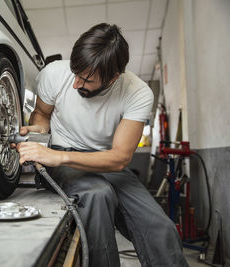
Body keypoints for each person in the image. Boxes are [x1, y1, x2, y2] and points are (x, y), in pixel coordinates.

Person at [15, 23, 188, 267]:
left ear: (113, 78)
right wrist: (40, 132)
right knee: (97, 195)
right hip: (63, 151)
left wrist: (57, 157)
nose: (75, 84)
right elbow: (42, 114)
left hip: (105, 161)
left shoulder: (137, 93)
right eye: (75, 73)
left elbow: (118, 158)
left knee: (160, 228)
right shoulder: (55, 74)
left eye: (86, 79)